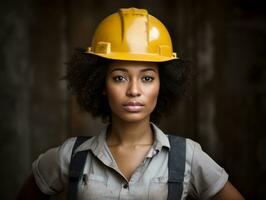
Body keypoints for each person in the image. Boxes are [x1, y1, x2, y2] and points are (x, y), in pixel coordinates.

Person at [17, 7, 244, 200]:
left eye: (147, 78)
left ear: (162, 84)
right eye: (119, 77)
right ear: (101, 84)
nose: (134, 90)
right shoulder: (70, 156)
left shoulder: (188, 156)